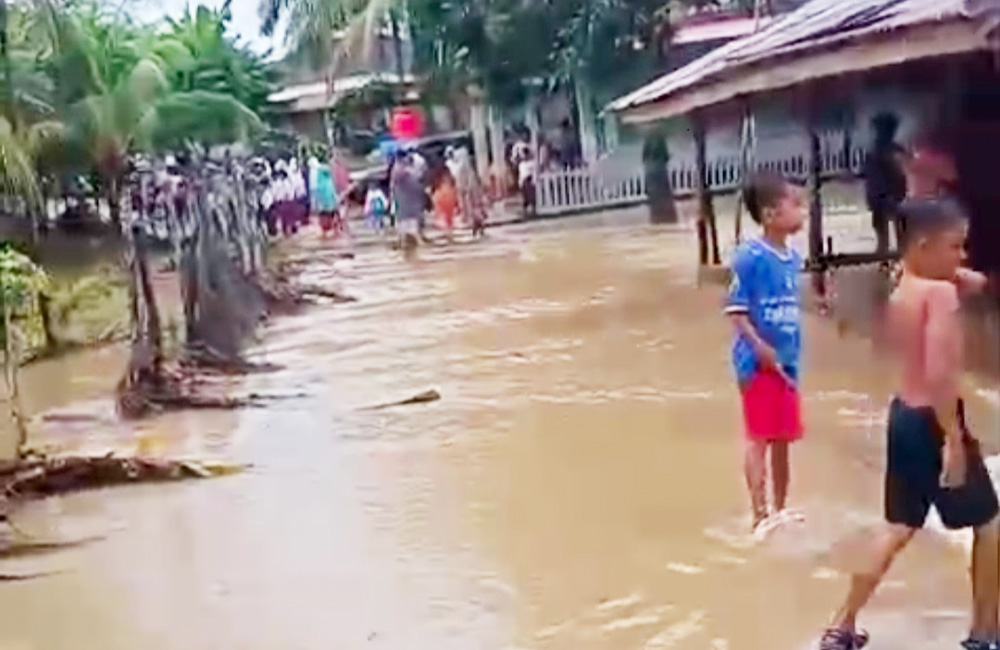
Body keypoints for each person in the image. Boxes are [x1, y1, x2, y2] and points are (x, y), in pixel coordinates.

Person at [819, 198, 999, 650]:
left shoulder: (905, 282)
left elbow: (948, 282)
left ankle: (841, 626)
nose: (962, 256)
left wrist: (961, 276)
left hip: (904, 415)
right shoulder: (940, 295)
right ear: (923, 246)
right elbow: (939, 372)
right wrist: (953, 439)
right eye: (955, 247)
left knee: (897, 527)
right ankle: (985, 634)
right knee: (991, 525)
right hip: (937, 420)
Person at [724, 171, 807, 534]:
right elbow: (736, 312)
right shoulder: (749, 257)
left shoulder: (792, 259)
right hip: (757, 364)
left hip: (787, 362)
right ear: (771, 214)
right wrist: (760, 349)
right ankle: (759, 514)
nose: (802, 211)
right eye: (795, 204)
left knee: (783, 438)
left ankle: (780, 508)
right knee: (759, 437)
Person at [864, 113, 907, 255]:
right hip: (884, 196)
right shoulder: (879, 152)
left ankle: (892, 252)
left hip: (888, 196)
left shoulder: (888, 151)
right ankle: (888, 252)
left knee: (895, 228)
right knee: (886, 229)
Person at [432, 171, 459, 240]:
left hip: (446, 199)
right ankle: (448, 232)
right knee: (447, 217)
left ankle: (447, 232)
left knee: (446, 217)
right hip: (447, 199)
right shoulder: (450, 185)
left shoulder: (439, 187)